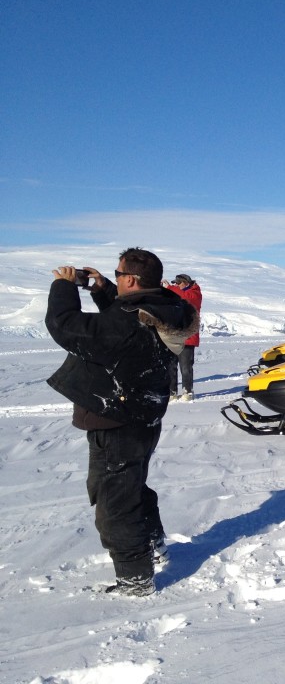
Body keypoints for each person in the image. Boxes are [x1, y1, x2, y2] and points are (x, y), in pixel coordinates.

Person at [45, 248, 198, 597]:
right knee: (130, 486)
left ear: (130, 279)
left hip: (117, 417)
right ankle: (152, 545)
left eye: (117, 275)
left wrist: (65, 287)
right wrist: (102, 291)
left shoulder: (132, 318)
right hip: (141, 413)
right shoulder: (164, 307)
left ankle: (135, 580)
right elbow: (124, 322)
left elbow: (68, 327)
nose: (114, 279)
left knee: (114, 503)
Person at [162, 273, 202, 402]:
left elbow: (186, 297)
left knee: (185, 367)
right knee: (171, 367)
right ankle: (172, 392)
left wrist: (170, 288)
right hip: (174, 336)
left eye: (178, 283)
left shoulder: (195, 293)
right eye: (175, 284)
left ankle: (187, 392)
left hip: (188, 337)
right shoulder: (177, 294)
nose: (176, 285)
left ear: (186, 282)